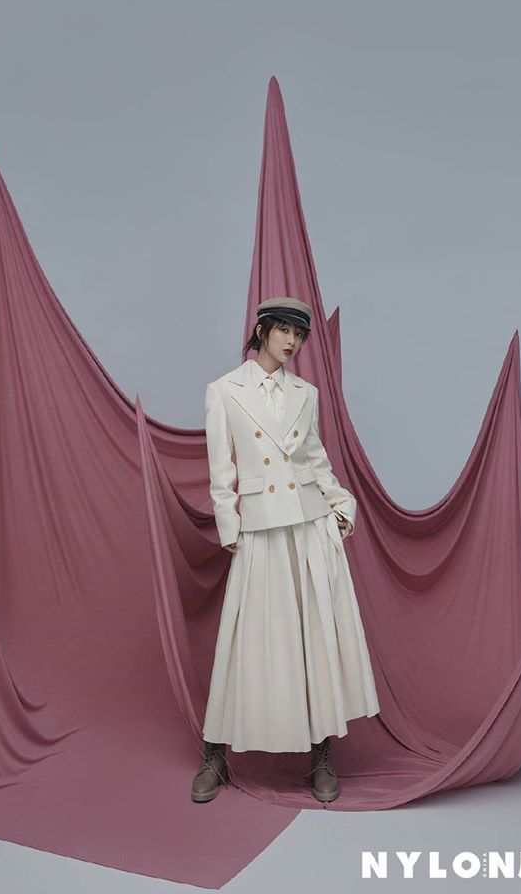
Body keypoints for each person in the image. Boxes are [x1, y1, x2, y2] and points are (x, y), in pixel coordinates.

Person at [192, 296, 380, 804]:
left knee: (313, 638)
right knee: (244, 640)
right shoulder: (224, 391)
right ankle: (215, 754)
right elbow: (221, 471)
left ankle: (321, 754)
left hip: (308, 524)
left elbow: (316, 461)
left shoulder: (306, 393)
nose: (292, 342)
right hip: (261, 528)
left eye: (299, 335)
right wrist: (231, 528)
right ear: (262, 331)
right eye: (283, 331)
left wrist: (342, 507)